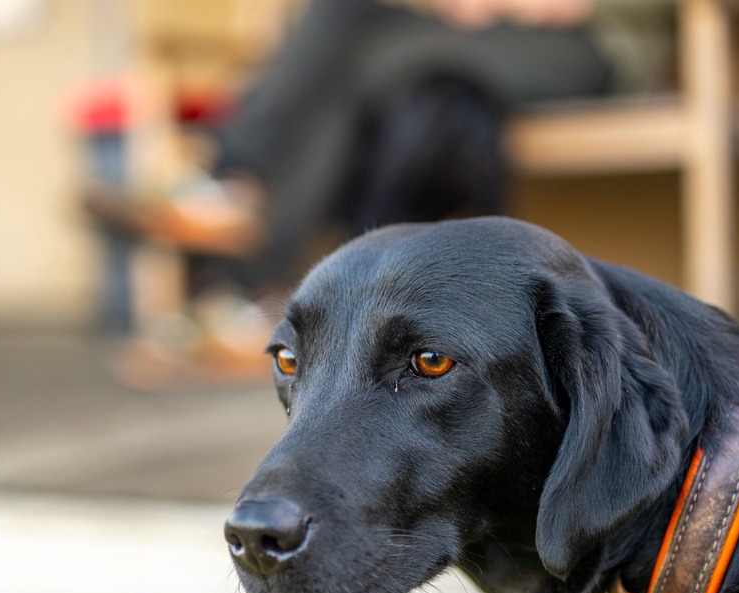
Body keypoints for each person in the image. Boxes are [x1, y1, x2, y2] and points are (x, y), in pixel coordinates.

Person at [85, 0, 672, 385]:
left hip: (589, 46)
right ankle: (264, 269)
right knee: (420, 103)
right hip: (471, 50)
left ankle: (240, 218)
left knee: (354, 31)